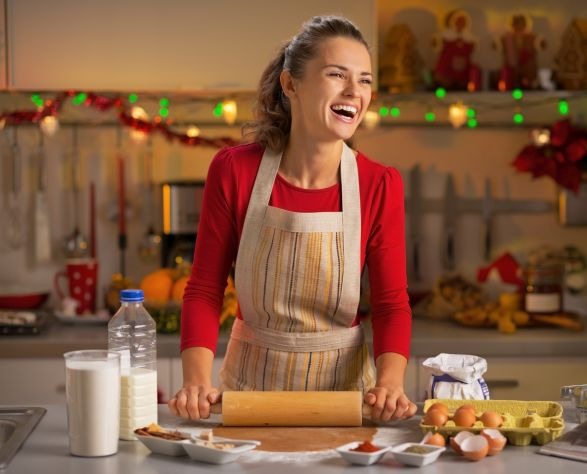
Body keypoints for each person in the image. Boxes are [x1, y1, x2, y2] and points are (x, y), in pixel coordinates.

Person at [168, 15, 416, 423]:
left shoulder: (379, 183)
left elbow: (390, 304)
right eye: (337, 74)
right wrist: (196, 380)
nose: (354, 92)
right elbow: (204, 288)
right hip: (248, 396)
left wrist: (390, 383)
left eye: (366, 80)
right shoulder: (234, 171)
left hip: (345, 404)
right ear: (290, 84)